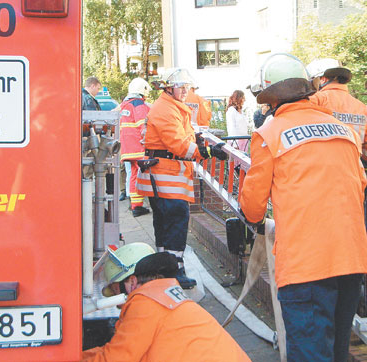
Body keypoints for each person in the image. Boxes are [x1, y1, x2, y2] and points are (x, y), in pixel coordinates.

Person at [240, 53, 367, 362]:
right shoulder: (343, 130)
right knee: (338, 351)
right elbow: (359, 184)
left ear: (271, 101)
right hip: (351, 259)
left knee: (310, 352)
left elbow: (254, 207)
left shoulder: (268, 134)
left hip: (306, 265)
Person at [136, 68, 227, 289]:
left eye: (188, 87)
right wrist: (208, 152)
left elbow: (181, 137)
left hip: (166, 176)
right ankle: (174, 271)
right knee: (175, 224)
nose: (186, 91)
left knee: (165, 225)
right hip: (166, 177)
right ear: (169, 87)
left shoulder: (171, 106)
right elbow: (178, 145)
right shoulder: (166, 109)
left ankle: (163, 269)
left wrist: (197, 140)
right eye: (181, 87)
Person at [82, 250, 251, 362]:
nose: (118, 304)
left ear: (132, 282)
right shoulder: (167, 297)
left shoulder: (145, 302)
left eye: (115, 289)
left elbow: (116, 358)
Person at [307, 58, 367, 161]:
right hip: (354, 170)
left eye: (313, 80)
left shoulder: (315, 101)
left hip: (322, 167)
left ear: (323, 79)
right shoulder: (362, 108)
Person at [119, 78, 152, 217]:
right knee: (145, 174)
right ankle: (151, 203)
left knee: (134, 175)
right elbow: (143, 124)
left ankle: (136, 206)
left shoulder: (125, 104)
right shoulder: (138, 104)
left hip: (128, 149)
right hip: (138, 147)